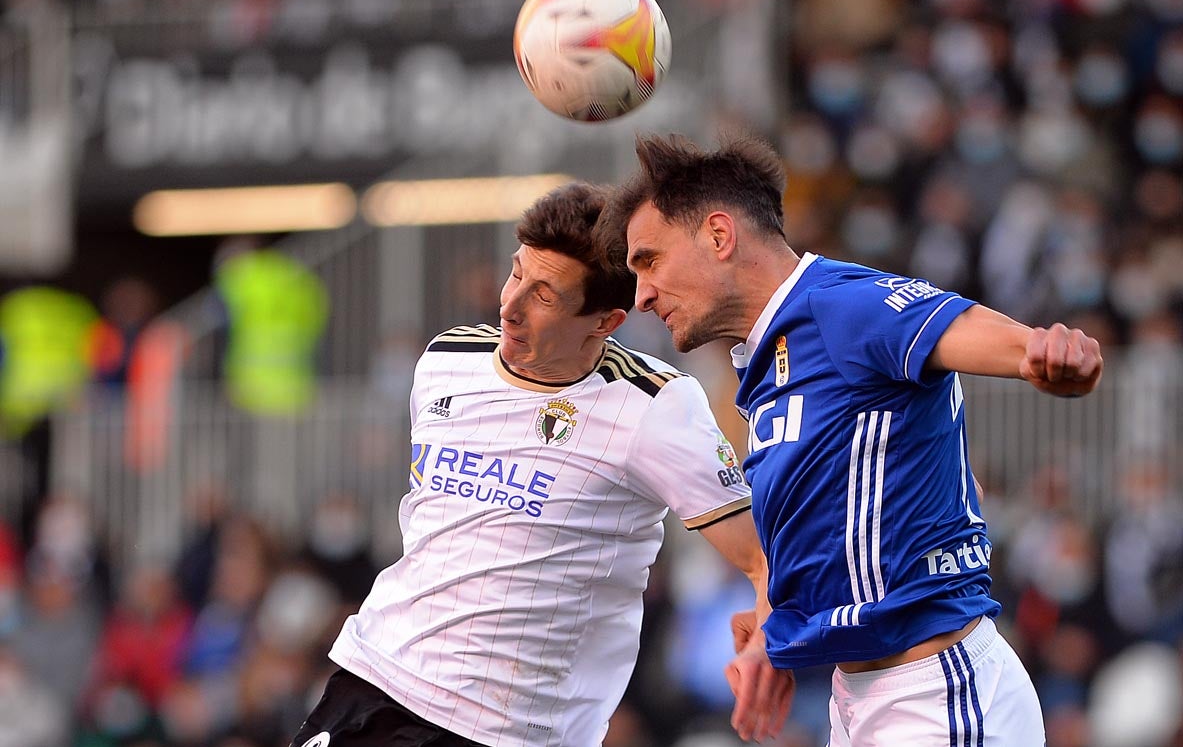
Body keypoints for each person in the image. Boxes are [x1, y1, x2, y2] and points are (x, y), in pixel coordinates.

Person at [597, 134, 1104, 746]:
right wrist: (773, 636)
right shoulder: (765, 362)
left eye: (649, 260)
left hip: (936, 694)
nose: (642, 294)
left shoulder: (839, 304)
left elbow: (966, 328)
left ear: (719, 236)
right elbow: (830, 528)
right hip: (858, 698)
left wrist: (1045, 355)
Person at [291, 183, 793, 747]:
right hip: (373, 677)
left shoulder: (655, 406)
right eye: (515, 274)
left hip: (503, 729)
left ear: (605, 322)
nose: (510, 306)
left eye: (546, 296)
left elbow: (765, 555)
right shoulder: (447, 359)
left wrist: (767, 642)